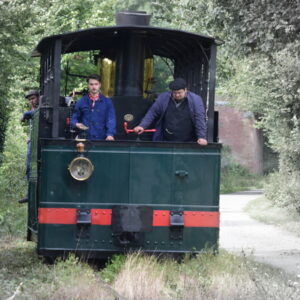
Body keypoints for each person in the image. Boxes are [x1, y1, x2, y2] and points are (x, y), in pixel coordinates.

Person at [134, 78, 208, 145]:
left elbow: (200, 118)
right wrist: (142, 125)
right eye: (174, 93)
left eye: (179, 92)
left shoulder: (196, 100)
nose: (177, 95)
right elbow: (152, 112)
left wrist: (201, 137)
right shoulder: (163, 98)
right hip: (166, 139)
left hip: (189, 140)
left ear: (185, 90)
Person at [71, 74, 116, 140]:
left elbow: (111, 119)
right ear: (88, 85)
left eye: (96, 84)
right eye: (91, 84)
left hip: (102, 138)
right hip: (85, 138)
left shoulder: (107, 102)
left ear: (100, 85)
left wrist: (110, 134)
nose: (94, 87)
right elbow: (74, 118)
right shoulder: (81, 101)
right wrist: (76, 124)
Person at [19, 89, 39, 203]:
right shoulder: (32, 110)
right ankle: (30, 192)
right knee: (28, 167)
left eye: (33, 98)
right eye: (30, 99)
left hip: (37, 142)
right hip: (32, 141)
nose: (32, 101)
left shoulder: (38, 110)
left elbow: (28, 115)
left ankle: (34, 193)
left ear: (38, 98)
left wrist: (24, 115)